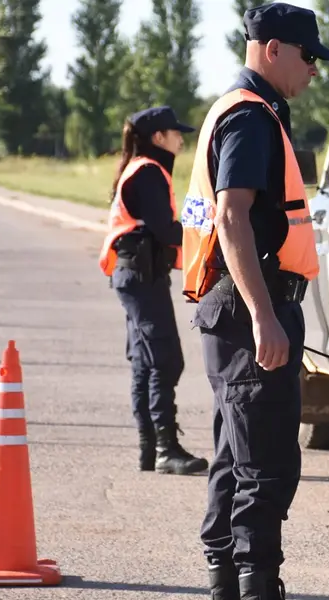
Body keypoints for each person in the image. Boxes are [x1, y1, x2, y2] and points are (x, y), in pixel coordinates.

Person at [177, 3, 329, 599]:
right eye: (308, 56)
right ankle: (255, 584)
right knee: (265, 466)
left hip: (237, 307)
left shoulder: (247, 109)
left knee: (236, 456)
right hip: (252, 306)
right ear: (273, 49)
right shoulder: (250, 116)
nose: (314, 69)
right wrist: (264, 316)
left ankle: (227, 579)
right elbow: (231, 216)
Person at [99, 106, 209, 477]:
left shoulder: (141, 168)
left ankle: (150, 449)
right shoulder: (148, 172)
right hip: (141, 277)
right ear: (158, 137)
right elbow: (165, 230)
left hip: (135, 275)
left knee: (145, 363)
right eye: (175, 133)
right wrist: (206, 227)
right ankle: (166, 450)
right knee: (165, 360)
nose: (181, 140)